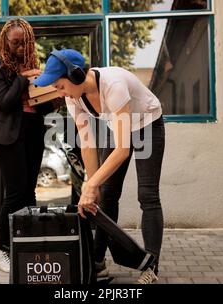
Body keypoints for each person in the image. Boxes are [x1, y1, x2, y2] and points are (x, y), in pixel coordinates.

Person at [33, 49, 165, 284]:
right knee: (105, 196)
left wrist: (91, 184)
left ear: (75, 76)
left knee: (147, 195)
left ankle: (151, 267)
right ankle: (97, 262)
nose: (59, 91)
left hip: (148, 124)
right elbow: (87, 143)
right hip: (120, 127)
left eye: (60, 85)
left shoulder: (113, 85)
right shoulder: (73, 97)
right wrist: (91, 186)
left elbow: (123, 150)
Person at [0, 19, 53, 272]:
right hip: (7, 137)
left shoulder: (35, 66)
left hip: (33, 133)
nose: (19, 46)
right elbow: (2, 103)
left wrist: (51, 92)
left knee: (29, 193)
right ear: (5, 41)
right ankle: (3, 250)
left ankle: (27, 242)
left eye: (24, 42)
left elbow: (43, 107)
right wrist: (22, 79)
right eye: (15, 42)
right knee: (15, 194)